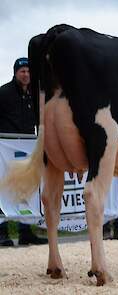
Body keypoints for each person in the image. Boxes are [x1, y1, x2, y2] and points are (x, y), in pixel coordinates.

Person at [0, 57, 48, 246]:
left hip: (27, 147)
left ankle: (25, 231)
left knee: (25, 189)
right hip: (5, 149)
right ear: (15, 72)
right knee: (4, 188)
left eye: (29, 71)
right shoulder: (3, 93)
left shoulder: (34, 95)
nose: (26, 74)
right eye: (22, 71)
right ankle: (2, 232)